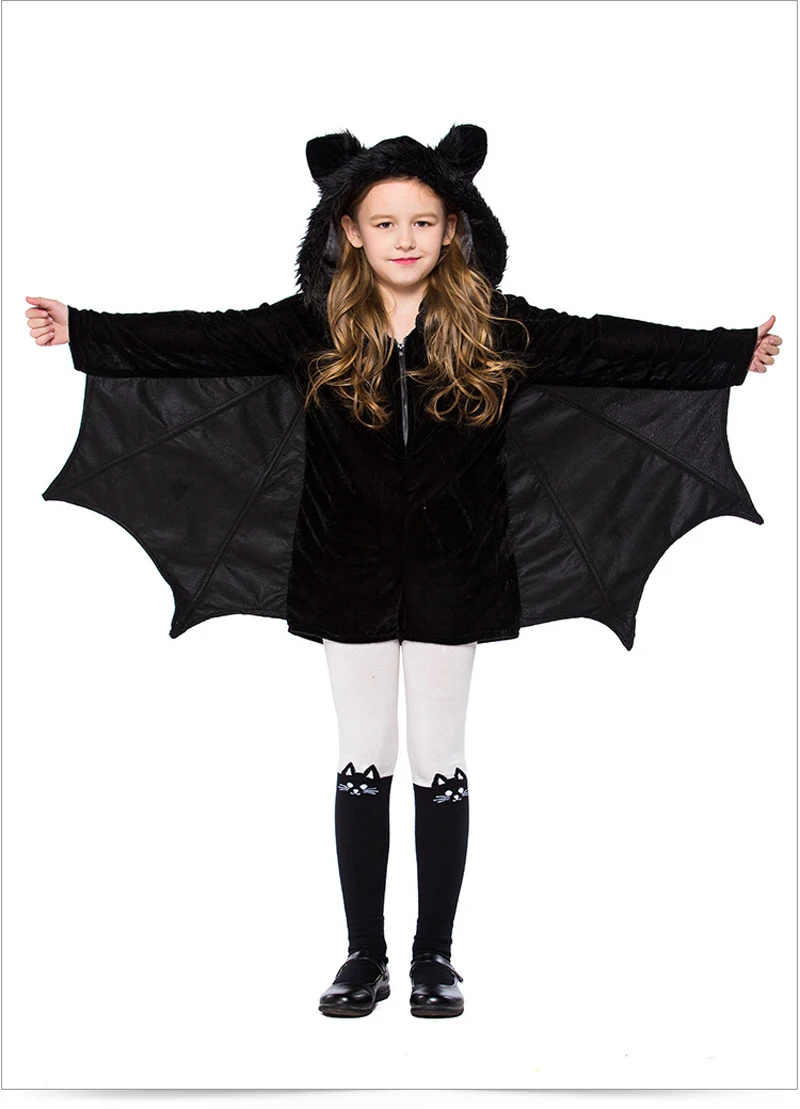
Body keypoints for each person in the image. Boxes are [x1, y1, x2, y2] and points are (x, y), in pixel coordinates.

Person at [26, 124, 780, 1020]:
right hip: (344, 570)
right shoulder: (312, 326)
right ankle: (362, 954)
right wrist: (86, 331)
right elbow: (200, 339)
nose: (405, 238)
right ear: (348, 231)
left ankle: (434, 955)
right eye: (384, 222)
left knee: (440, 757)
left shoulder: (498, 325)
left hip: (458, 572)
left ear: (454, 226)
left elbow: (613, 346)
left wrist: (727, 353)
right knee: (362, 756)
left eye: (423, 220)